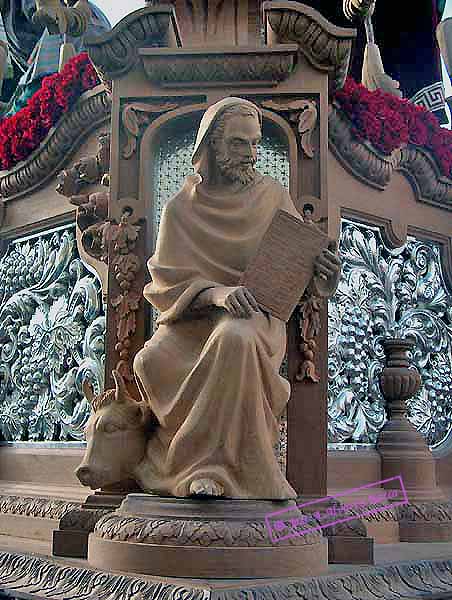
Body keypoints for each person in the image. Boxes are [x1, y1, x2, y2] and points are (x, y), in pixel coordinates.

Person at [133, 97, 341, 499]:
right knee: (149, 359)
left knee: (235, 338)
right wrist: (216, 294)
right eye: (238, 143)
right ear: (211, 145)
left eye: (255, 143)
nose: (250, 154)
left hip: (255, 320)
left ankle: (213, 469)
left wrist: (323, 279)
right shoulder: (180, 209)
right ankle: (176, 461)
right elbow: (164, 286)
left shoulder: (273, 197)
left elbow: (298, 269)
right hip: (193, 319)